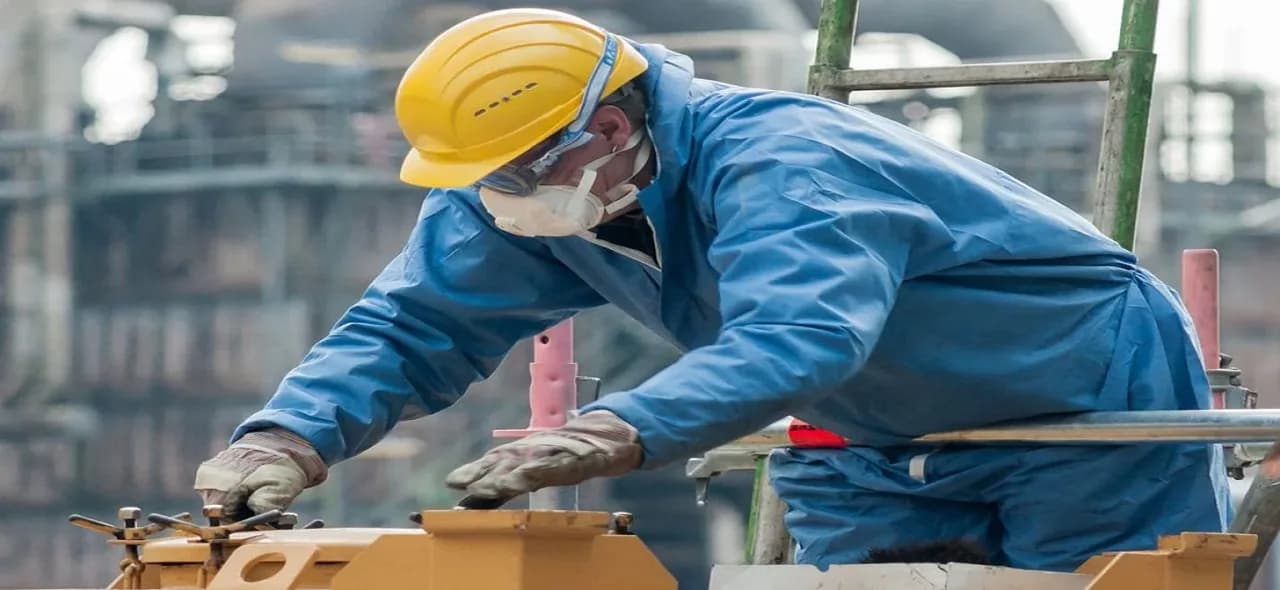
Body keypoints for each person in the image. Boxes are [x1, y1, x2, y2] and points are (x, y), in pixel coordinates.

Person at [194, 8, 1231, 572]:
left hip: (1079, 401)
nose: (487, 204)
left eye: (509, 175)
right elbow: (414, 320)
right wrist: (285, 435)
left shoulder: (786, 161)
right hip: (869, 435)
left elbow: (795, 338)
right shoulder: (522, 193)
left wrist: (612, 429)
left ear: (605, 129)